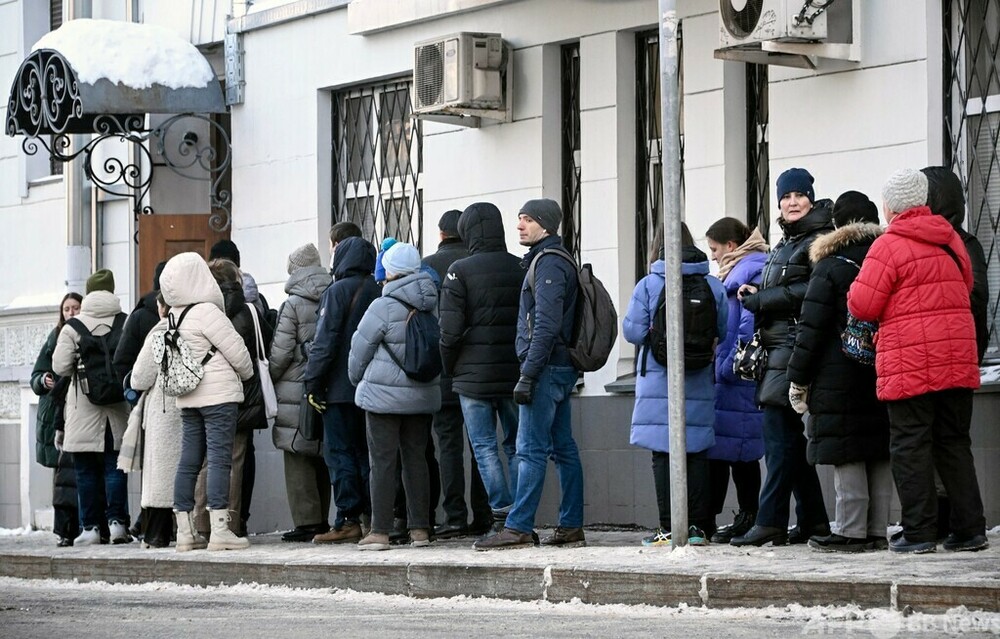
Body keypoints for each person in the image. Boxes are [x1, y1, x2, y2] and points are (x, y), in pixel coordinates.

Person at [848, 168, 987, 554]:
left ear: (890, 207)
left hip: (909, 362)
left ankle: (920, 531)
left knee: (910, 445)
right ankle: (969, 529)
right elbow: (966, 286)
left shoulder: (888, 245)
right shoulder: (951, 239)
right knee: (953, 443)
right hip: (956, 357)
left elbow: (862, 304)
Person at [475, 198, 584, 551]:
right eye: (519, 218)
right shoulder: (555, 258)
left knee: (530, 449)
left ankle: (519, 526)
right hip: (558, 366)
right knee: (563, 448)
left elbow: (547, 325)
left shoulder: (549, 262)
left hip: (545, 368)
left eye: (528, 219)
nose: (520, 225)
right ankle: (571, 526)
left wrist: (529, 374)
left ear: (546, 224)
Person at [785, 191, 891, 553]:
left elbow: (810, 329)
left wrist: (798, 377)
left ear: (837, 225)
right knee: (878, 446)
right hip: (882, 367)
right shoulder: (885, 258)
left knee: (847, 448)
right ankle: (876, 529)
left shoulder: (830, 266)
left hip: (838, 373)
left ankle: (850, 530)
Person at [732, 168, 832, 547]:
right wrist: (755, 290)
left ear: (810, 199)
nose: (792, 202)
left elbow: (813, 289)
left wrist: (763, 300)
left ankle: (770, 520)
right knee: (788, 438)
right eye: (786, 197)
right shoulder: (787, 241)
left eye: (799, 195)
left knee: (778, 437)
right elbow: (786, 284)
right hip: (777, 347)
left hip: (793, 346)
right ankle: (814, 521)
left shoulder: (819, 239)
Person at [623, 224, 728, 546]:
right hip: (698, 378)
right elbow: (722, 331)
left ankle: (668, 527)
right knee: (696, 453)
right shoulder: (712, 285)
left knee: (663, 453)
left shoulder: (649, 284)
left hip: (658, 380)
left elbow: (633, 333)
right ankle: (696, 527)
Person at [158, 252, 254, 552]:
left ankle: (185, 532)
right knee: (219, 460)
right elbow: (237, 351)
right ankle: (220, 531)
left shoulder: (173, 315)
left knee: (189, 462)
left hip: (188, 397)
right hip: (219, 396)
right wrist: (247, 374)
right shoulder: (207, 312)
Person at [439, 202, 524, 537]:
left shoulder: (459, 271)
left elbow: (449, 333)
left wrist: (452, 369)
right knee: (516, 445)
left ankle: (501, 514)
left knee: (484, 447)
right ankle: (521, 516)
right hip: (515, 373)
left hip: (472, 378)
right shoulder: (521, 266)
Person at [348, 242, 441, 550]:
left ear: (389, 271)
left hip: (382, 397)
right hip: (422, 396)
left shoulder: (382, 306)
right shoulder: (432, 303)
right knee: (417, 460)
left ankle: (380, 532)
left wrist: (356, 380)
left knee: (383, 462)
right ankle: (420, 530)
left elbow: (359, 350)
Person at [922, 165, 990, 541]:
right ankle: (953, 522)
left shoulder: (961, 243)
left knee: (948, 441)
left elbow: (975, 299)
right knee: (941, 442)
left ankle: (964, 524)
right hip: (952, 355)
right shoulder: (948, 242)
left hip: (953, 357)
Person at [305, 236, 381, 544]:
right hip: (371, 387)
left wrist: (312, 382)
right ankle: (373, 517)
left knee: (340, 454)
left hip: (337, 389)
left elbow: (324, 343)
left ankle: (348, 519)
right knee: (367, 454)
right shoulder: (378, 289)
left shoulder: (336, 292)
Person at [422, 209, 491, 539]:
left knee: (448, 446)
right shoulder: (480, 264)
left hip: (443, 371)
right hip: (479, 370)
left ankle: (454, 517)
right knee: (482, 445)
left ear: (440, 234)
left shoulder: (427, 266)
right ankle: (485, 513)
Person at [52, 270, 131, 546]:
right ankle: (117, 524)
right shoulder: (125, 321)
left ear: (88, 293)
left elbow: (60, 367)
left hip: (82, 409)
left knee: (85, 471)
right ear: (111, 290)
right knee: (115, 467)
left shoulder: (73, 326)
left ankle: (91, 528)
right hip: (117, 408)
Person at [704, 219, 768, 544]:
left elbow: (747, 326)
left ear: (730, 246)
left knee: (742, 450)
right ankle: (734, 516)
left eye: (714, 249)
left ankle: (748, 515)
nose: (712, 256)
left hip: (738, 377)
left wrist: (727, 367)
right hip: (731, 376)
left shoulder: (747, 273)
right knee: (730, 448)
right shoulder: (739, 270)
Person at [203, 258, 273, 538]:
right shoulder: (248, 311)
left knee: (206, 460)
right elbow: (266, 343)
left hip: (207, 393)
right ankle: (230, 524)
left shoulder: (203, 310)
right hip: (242, 394)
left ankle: (201, 524)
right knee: (236, 461)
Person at [269, 243, 335, 543]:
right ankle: (323, 518)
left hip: (295, 387)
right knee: (321, 449)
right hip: (326, 384)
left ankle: (308, 522)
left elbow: (281, 353)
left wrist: (269, 378)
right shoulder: (333, 292)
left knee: (296, 451)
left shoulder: (293, 304)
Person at [126, 292, 185, 548]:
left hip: (162, 409)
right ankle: (184, 531)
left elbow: (139, 378)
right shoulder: (192, 326)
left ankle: (156, 534)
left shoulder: (159, 332)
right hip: (189, 405)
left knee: (160, 473)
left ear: (161, 307)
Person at [30, 292, 84, 547]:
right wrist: (44, 380)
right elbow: (37, 375)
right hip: (56, 414)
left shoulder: (87, 333)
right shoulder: (55, 337)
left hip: (80, 412)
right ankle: (65, 531)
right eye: (66, 309)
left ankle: (83, 526)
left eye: (75, 308)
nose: (71, 313)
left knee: (81, 473)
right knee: (62, 477)